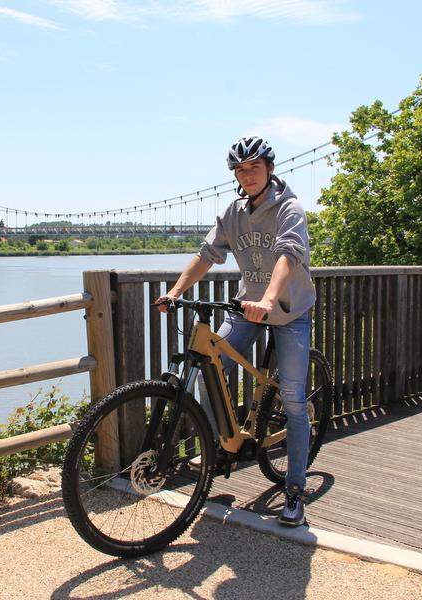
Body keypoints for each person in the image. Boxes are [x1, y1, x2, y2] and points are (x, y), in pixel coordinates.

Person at [157, 135, 316, 526]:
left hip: (288, 310)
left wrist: (269, 298)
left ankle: (295, 488)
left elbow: (288, 256)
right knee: (209, 366)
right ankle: (222, 446)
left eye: (254, 168)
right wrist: (176, 291)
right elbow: (207, 255)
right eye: (240, 170)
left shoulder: (289, 208)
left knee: (294, 399)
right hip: (246, 307)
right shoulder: (233, 212)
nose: (247, 175)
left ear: (270, 168)